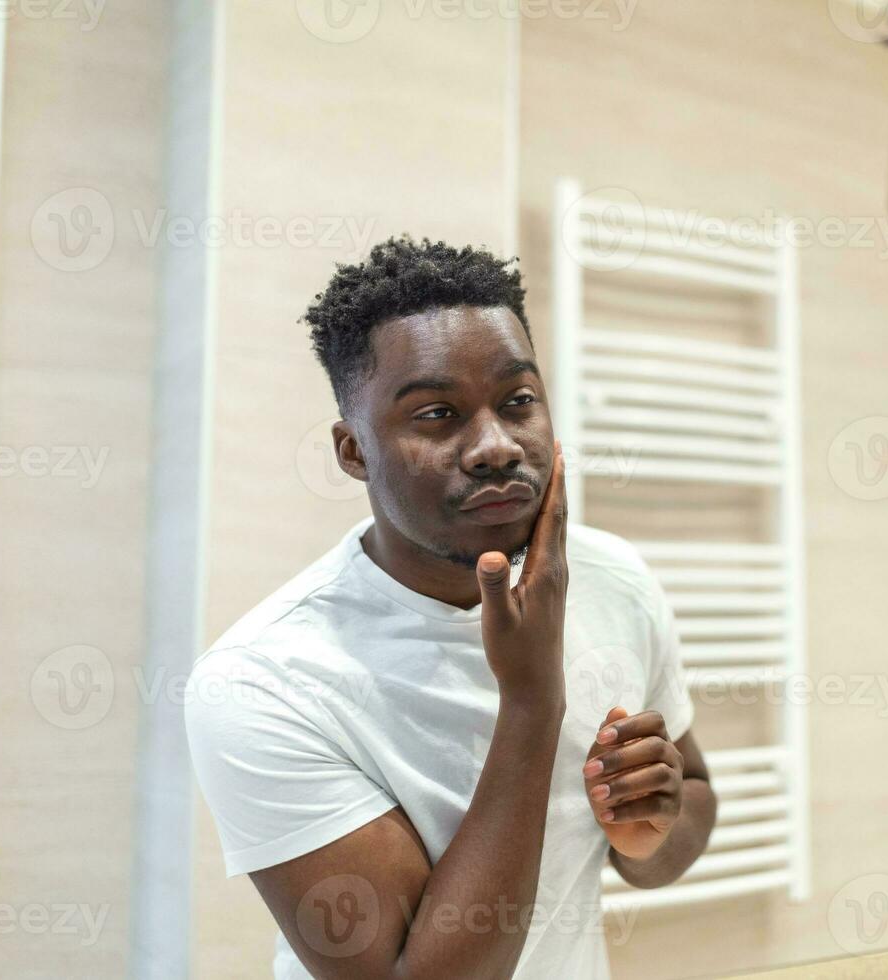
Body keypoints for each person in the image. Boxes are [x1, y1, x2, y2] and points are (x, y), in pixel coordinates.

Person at [184, 238, 715, 979]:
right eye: (437, 413)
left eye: (519, 401)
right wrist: (532, 701)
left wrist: (647, 835)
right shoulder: (264, 681)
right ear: (354, 451)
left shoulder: (615, 578)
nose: (496, 446)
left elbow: (688, 802)